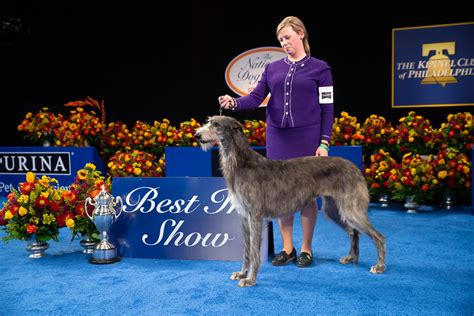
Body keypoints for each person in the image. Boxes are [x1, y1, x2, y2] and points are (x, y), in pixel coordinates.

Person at [218, 16, 334, 268]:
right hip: (278, 137)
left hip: (307, 138)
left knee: (307, 195)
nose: (284, 43)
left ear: (301, 34)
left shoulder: (321, 68)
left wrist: (324, 142)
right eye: (281, 39)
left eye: (288, 37)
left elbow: (328, 108)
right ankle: (287, 247)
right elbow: (256, 97)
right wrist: (234, 103)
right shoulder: (272, 69)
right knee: (280, 192)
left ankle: (306, 249)